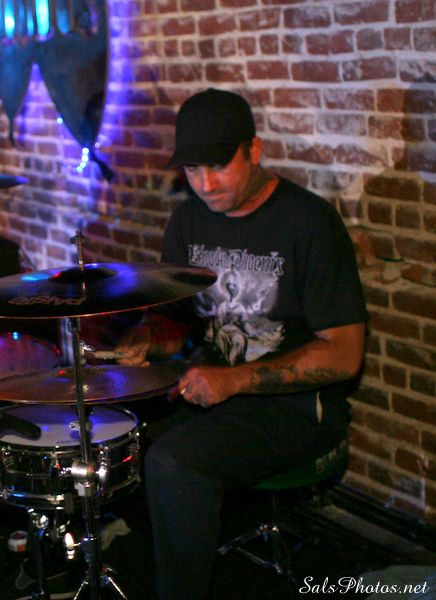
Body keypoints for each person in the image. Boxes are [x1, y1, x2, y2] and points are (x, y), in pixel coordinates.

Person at [113, 88, 368, 599]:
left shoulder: (310, 223)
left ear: (254, 150)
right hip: (209, 386)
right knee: (118, 433)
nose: (205, 184)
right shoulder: (188, 220)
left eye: (218, 166)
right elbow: (176, 319)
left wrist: (234, 380)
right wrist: (146, 339)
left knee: (174, 463)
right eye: (192, 169)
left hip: (295, 408)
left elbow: (344, 354)